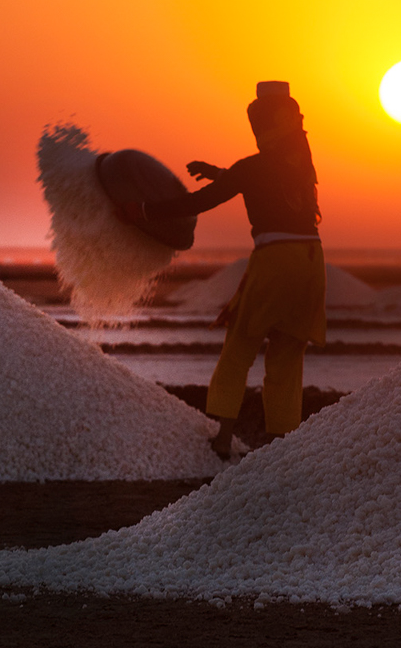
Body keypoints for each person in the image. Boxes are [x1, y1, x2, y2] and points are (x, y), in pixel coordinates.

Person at [122, 81, 327, 459]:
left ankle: (221, 436)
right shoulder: (299, 165)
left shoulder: (254, 167)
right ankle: (282, 445)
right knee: (286, 356)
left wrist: (144, 212)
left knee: (240, 345)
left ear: (260, 128)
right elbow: (254, 182)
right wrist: (220, 172)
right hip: (313, 263)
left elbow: (199, 202)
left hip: (276, 260)